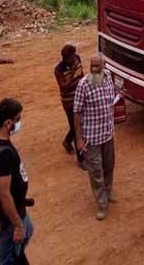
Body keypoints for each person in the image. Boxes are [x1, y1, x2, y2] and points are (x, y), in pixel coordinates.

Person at [0, 98, 33, 265]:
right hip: (10, 219)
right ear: (8, 123)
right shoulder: (4, 153)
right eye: (18, 119)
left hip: (15, 212)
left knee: (24, 238)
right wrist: (17, 225)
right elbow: (3, 194)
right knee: (7, 259)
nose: (19, 123)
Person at [73, 54, 118, 220]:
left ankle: (107, 192)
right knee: (95, 171)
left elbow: (111, 100)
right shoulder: (83, 84)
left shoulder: (107, 77)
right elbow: (76, 112)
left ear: (103, 65)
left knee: (109, 166)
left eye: (97, 66)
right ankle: (101, 204)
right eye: (92, 66)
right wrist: (78, 139)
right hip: (91, 137)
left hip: (107, 133)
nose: (93, 69)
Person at [53, 44, 85, 159]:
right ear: (66, 58)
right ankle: (80, 158)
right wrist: (72, 72)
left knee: (79, 124)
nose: (75, 57)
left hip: (80, 96)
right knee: (75, 126)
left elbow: (81, 74)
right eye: (72, 56)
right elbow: (63, 86)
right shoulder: (59, 70)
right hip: (69, 102)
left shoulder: (77, 58)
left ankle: (67, 141)